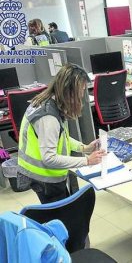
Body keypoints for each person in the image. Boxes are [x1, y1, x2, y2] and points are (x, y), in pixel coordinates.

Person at [17, 63, 106, 204]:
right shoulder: (48, 117)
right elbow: (49, 158)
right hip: (44, 176)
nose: (82, 95)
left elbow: (60, 136)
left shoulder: (50, 102)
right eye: (81, 90)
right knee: (59, 217)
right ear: (69, 90)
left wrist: (84, 148)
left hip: (46, 173)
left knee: (65, 210)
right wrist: (87, 161)